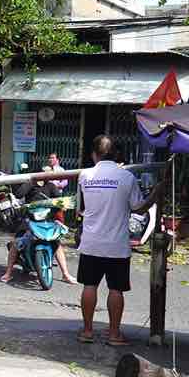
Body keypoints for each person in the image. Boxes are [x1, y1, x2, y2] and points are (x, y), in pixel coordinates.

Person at [76, 135, 166, 345]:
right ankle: (114, 334)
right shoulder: (126, 177)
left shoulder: (84, 175)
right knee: (116, 289)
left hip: (91, 243)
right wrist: (155, 194)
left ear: (93, 154)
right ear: (116, 154)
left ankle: (87, 331)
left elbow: (81, 208)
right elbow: (139, 208)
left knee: (89, 286)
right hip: (116, 245)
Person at [41, 152, 74, 283]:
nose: (50, 159)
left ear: (57, 159)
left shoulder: (61, 171)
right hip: (44, 203)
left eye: (53, 158)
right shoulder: (45, 170)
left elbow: (64, 183)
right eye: (49, 158)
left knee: (57, 228)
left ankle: (56, 257)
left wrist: (55, 185)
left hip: (56, 200)